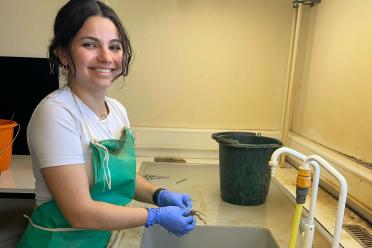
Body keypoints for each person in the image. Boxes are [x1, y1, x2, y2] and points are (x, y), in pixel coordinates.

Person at [17, 0, 196, 247]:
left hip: (104, 238)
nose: (106, 57)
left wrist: (159, 195)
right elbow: (79, 212)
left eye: (114, 47)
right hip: (59, 242)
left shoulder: (118, 111)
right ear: (62, 53)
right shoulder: (56, 114)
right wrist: (154, 216)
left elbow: (120, 177)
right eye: (90, 44)